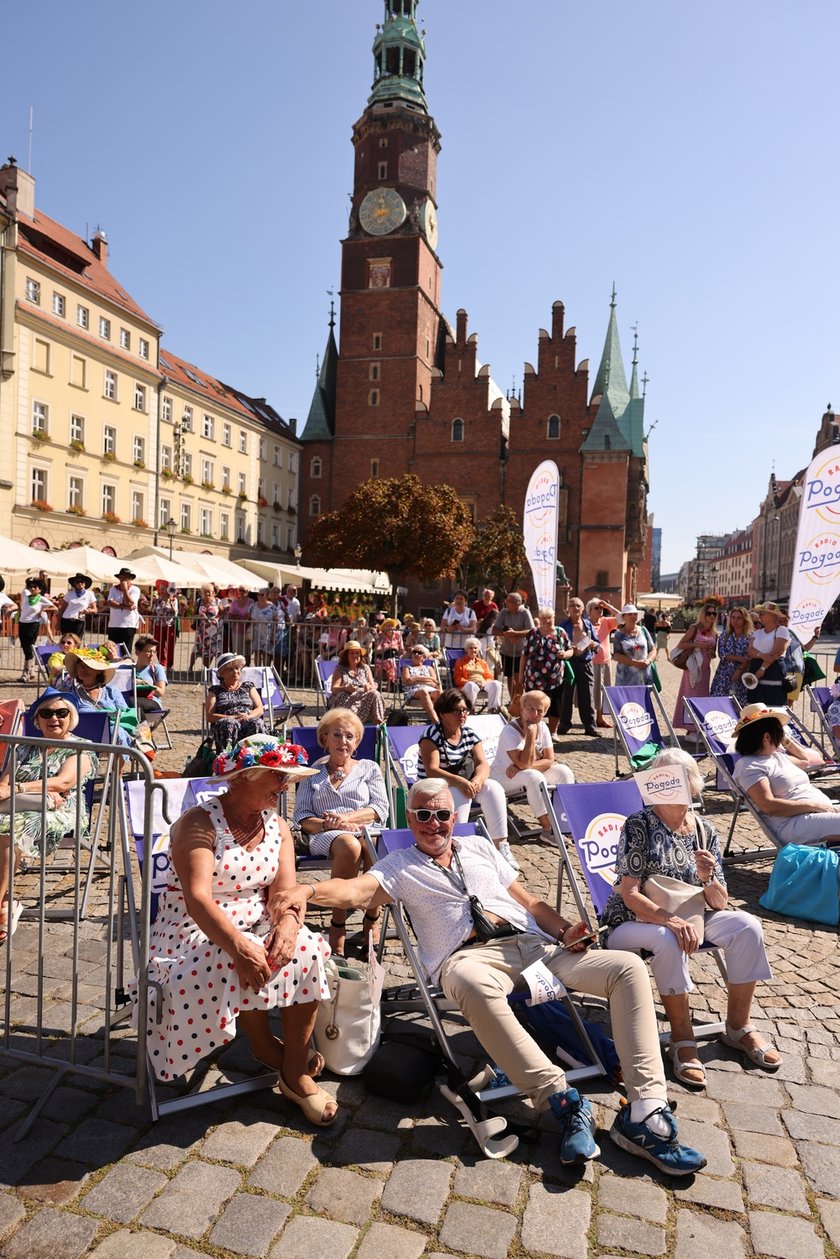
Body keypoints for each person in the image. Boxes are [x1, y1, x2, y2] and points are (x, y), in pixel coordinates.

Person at [273, 778, 706, 1175]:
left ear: (455, 817)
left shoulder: (480, 848)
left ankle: (645, 1113)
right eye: (423, 814)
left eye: (442, 814)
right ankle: (562, 1099)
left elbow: (531, 902)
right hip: (470, 959)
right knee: (469, 980)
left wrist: (565, 931)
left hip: (535, 947)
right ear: (410, 819)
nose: (434, 823)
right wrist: (307, 891)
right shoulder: (399, 865)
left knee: (626, 967)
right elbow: (354, 891)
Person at [139, 736, 337, 1124]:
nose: (284, 787)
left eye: (287, 778)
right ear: (244, 777)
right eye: (277, 777)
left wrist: (290, 924)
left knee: (308, 947)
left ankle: (294, 1070)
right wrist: (238, 944)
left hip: (260, 918)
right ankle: (265, 1047)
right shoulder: (199, 822)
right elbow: (197, 899)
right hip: (193, 929)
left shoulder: (277, 825)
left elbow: (285, 891)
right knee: (242, 954)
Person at [600, 748, 779, 1089]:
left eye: (676, 780)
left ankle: (738, 1027)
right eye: (661, 779)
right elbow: (630, 894)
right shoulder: (639, 825)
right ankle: (682, 1040)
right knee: (667, 939)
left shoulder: (704, 830)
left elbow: (720, 902)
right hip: (630, 922)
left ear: (691, 785)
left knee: (748, 926)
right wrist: (670, 920)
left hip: (693, 913)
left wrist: (709, 877)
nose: (668, 786)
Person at [0, 689, 95, 942]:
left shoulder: (82, 748)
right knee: (7, 824)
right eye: (46, 713)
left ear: (71, 717)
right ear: (37, 720)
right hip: (19, 806)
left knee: (9, 829)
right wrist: (13, 789)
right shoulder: (23, 747)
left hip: (62, 810)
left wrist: (19, 788)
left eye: (61, 712)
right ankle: (6, 905)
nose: (54, 718)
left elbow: (63, 783)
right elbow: (3, 785)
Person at [293, 710, 390, 955]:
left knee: (373, 844)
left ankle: (372, 917)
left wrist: (347, 818)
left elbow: (380, 808)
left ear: (357, 742)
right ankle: (339, 923)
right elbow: (302, 817)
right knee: (349, 844)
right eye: (337, 734)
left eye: (350, 736)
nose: (343, 741)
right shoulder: (313, 772)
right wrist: (330, 824)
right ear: (325, 738)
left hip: (366, 828)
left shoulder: (369, 768)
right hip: (325, 834)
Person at [418, 689, 515, 868]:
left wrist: (477, 780)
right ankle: (457, 846)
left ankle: (501, 847)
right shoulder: (431, 735)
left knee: (493, 787)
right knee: (459, 792)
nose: (462, 714)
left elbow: (483, 764)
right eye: (456, 710)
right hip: (433, 788)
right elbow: (432, 770)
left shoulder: (469, 733)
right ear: (442, 713)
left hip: (464, 783)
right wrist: (461, 781)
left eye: (464, 710)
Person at [732, 703, 840, 844]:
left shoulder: (776, 757)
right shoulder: (750, 766)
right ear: (767, 737)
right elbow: (768, 805)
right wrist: (814, 806)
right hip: (792, 824)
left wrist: (785, 740)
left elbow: (805, 759)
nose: (783, 734)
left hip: (816, 814)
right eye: (780, 731)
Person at [490, 691, 574, 840]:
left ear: (545, 713)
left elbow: (549, 760)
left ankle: (565, 824)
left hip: (518, 772)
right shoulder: (510, 731)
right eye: (530, 709)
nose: (534, 714)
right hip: (502, 776)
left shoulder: (543, 727)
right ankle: (548, 830)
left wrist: (519, 767)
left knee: (563, 771)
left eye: (540, 710)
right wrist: (531, 736)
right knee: (534, 777)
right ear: (522, 709)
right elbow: (524, 762)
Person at [56, 648, 135, 746]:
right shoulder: (71, 695)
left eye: (87, 666)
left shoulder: (111, 691)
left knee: (117, 732)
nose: (82, 669)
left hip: (112, 736)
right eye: (80, 666)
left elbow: (124, 713)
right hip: (84, 736)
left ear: (98, 671)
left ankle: (116, 761)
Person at [518, 608, 573, 733]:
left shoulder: (560, 632)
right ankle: (531, 730)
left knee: (555, 705)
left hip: (555, 677)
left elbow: (571, 650)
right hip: (533, 678)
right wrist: (521, 675)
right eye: (544, 618)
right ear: (539, 619)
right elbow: (524, 655)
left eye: (550, 618)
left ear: (554, 618)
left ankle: (553, 732)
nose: (547, 621)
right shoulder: (532, 633)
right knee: (532, 705)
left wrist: (564, 654)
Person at [206, 652, 266, 754]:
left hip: (247, 720)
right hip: (227, 723)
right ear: (222, 673)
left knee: (257, 722)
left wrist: (248, 716)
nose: (236, 671)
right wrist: (232, 717)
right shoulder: (215, 691)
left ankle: (256, 756)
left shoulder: (248, 686)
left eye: (237, 668)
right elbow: (210, 716)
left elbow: (260, 708)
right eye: (230, 669)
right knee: (229, 724)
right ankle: (228, 759)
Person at [672, 604, 719, 732]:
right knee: (690, 695)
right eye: (708, 613)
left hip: (705, 670)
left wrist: (710, 652)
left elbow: (714, 655)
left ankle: (698, 727)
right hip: (692, 667)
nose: (711, 616)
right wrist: (696, 644)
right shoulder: (694, 628)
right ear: (702, 615)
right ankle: (689, 728)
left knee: (702, 697)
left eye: (714, 614)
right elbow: (681, 644)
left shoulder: (715, 633)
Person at [557, 598, 598, 737]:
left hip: (585, 663)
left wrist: (593, 645)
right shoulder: (562, 625)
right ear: (567, 609)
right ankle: (564, 723)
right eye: (572, 605)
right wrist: (567, 649)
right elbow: (558, 644)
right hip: (569, 663)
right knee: (566, 695)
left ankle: (589, 726)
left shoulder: (588, 625)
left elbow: (597, 643)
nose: (575, 608)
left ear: (582, 609)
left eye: (578, 605)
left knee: (587, 695)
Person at [326, 640, 386, 725]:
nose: (355, 655)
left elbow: (373, 686)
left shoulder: (365, 668)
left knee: (375, 694)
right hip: (345, 696)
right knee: (343, 695)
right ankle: (350, 721)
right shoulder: (340, 669)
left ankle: (378, 723)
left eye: (357, 653)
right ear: (347, 655)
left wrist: (368, 687)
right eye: (352, 653)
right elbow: (334, 688)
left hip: (362, 697)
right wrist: (346, 688)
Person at [492, 593, 535, 706]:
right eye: (507, 600)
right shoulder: (504, 612)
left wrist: (515, 634)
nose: (507, 603)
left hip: (521, 652)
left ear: (518, 603)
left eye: (510, 602)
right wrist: (508, 634)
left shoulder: (525, 612)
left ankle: (519, 701)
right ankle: (513, 701)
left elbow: (531, 631)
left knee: (519, 678)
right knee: (509, 677)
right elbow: (494, 630)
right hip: (506, 650)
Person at [586, 598, 620, 728]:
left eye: (601, 608)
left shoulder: (606, 622)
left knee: (603, 690)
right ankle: (590, 718)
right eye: (597, 608)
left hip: (605, 661)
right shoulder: (585, 623)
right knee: (592, 691)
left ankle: (600, 718)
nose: (600, 610)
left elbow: (622, 618)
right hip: (591, 661)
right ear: (589, 611)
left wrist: (608, 606)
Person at [17, 576, 57, 682]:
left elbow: (55, 607)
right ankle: (31, 671)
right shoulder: (26, 597)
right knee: (25, 647)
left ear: (40, 589)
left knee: (29, 647)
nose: (32, 588)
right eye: (31, 586)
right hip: (22, 623)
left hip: (32, 624)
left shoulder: (41, 599)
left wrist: (43, 609)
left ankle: (26, 672)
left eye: (35, 587)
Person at [710, 606, 752, 706]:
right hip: (723, 676)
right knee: (719, 705)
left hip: (742, 676)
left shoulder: (750, 636)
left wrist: (740, 668)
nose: (735, 620)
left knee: (738, 707)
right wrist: (741, 658)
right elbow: (722, 654)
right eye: (733, 617)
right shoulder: (725, 634)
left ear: (745, 619)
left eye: (739, 618)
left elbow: (750, 657)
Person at [453, 637, 503, 712]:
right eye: (471, 648)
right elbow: (458, 679)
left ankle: (492, 709)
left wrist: (485, 682)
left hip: (483, 685)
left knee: (496, 684)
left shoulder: (482, 662)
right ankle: (470, 709)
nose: (473, 650)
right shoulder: (460, 662)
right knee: (471, 685)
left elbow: (489, 676)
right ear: (466, 649)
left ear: (478, 649)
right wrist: (472, 683)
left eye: (475, 648)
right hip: (468, 686)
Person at [612, 604, 656, 688]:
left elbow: (653, 649)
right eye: (630, 614)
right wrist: (635, 663)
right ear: (623, 617)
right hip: (626, 678)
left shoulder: (643, 630)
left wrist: (649, 660)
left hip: (644, 676)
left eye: (635, 614)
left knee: (643, 700)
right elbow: (617, 655)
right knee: (627, 701)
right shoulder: (618, 634)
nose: (633, 616)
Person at [106, 568, 146, 654]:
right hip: (114, 624)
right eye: (121, 577)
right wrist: (124, 607)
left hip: (128, 624)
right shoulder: (113, 589)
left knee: (125, 651)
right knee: (112, 650)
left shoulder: (135, 589)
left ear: (130, 579)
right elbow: (110, 602)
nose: (123, 579)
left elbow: (130, 603)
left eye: (126, 578)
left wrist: (124, 589)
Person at [401, 645, 442, 722]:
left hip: (430, 689)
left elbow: (435, 682)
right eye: (414, 652)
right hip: (413, 691)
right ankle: (436, 721)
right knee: (423, 691)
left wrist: (416, 678)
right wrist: (428, 680)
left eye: (419, 653)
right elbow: (407, 681)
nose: (416, 654)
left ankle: (439, 717)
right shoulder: (407, 667)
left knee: (439, 692)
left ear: (424, 657)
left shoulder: (429, 668)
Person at [189, 584, 222, 671]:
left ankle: (206, 668)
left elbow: (222, 613)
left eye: (209, 592)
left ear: (213, 593)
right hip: (201, 631)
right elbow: (193, 615)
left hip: (214, 631)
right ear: (202, 593)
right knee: (197, 649)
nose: (207, 594)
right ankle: (190, 667)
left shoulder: (217, 601)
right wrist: (199, 616)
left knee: (212, 650)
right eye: (205, 592)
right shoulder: (199, 601)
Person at [134, 634, 168, 713]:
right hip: (134, 701)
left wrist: (145, 684)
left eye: (154, 651)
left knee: (131, 702)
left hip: (152, 702)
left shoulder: (157, 668)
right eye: (149, 651)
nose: (152, 655)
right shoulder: (129, 669)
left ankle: (141, 724)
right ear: (137, 652)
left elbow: (161, 692)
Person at [57, 573, 97, 639]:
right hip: (66, 620)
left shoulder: (90, 594)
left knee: (76, 642)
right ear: (74, 584)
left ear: (85, 583)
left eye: (82, 581)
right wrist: (58, 623)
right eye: (77, 582)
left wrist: (88, 610)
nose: (80, 583)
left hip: (79, 621)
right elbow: (62, 610)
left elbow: (95, 610)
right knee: (66, 641)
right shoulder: (69, 594)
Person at [150, 582, 179, 668]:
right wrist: (151, 626)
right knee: (159, 646)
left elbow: (175, 612)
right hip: (158, 625)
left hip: (170, 625)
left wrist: (170, 602)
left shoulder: (174, 600)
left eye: (163, 589)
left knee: (170, 646)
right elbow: (153, 612)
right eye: (160, 589)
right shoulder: (157, 600)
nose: (161, 591)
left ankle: (170, 665)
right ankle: (162, 663)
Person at [250, 589, 279, 667]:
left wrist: (273, 635)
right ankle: (257, 671)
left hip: (268, 633)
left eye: (262, 595)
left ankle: (266, 671)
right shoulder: (253, 605)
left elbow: (276, 620)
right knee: (257, 653)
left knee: (266, 653)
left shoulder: (272, 606)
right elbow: (249, 618)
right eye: (258, 594)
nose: (259, 596)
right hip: (256, 632)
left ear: (267, 595)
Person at [224, 586, 254, 661]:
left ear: (247, 591)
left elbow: (252, 614)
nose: (241, 592)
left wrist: (246, 619)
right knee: (237, 650)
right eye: (240, 590)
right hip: (236, 629)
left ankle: (247, 667)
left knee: (247, 650)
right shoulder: (234, 602)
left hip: (247, 630)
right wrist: (237, 617)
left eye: (243, 590)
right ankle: (238, 667)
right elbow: (230, 615)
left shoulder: (251, 602)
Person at [372, 618, 404, 686]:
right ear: (384, 627)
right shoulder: (380, 636)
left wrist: (396, 650)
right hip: (382, 657)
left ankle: (388, 684)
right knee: (384, 662)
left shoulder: (398, 635)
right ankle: (383, 684)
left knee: (391, 661)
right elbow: (377, 651)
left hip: (395, 657)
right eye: (388, 625)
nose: (390, 627)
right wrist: (388, 648)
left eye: (392, 625)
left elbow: (401, 650)